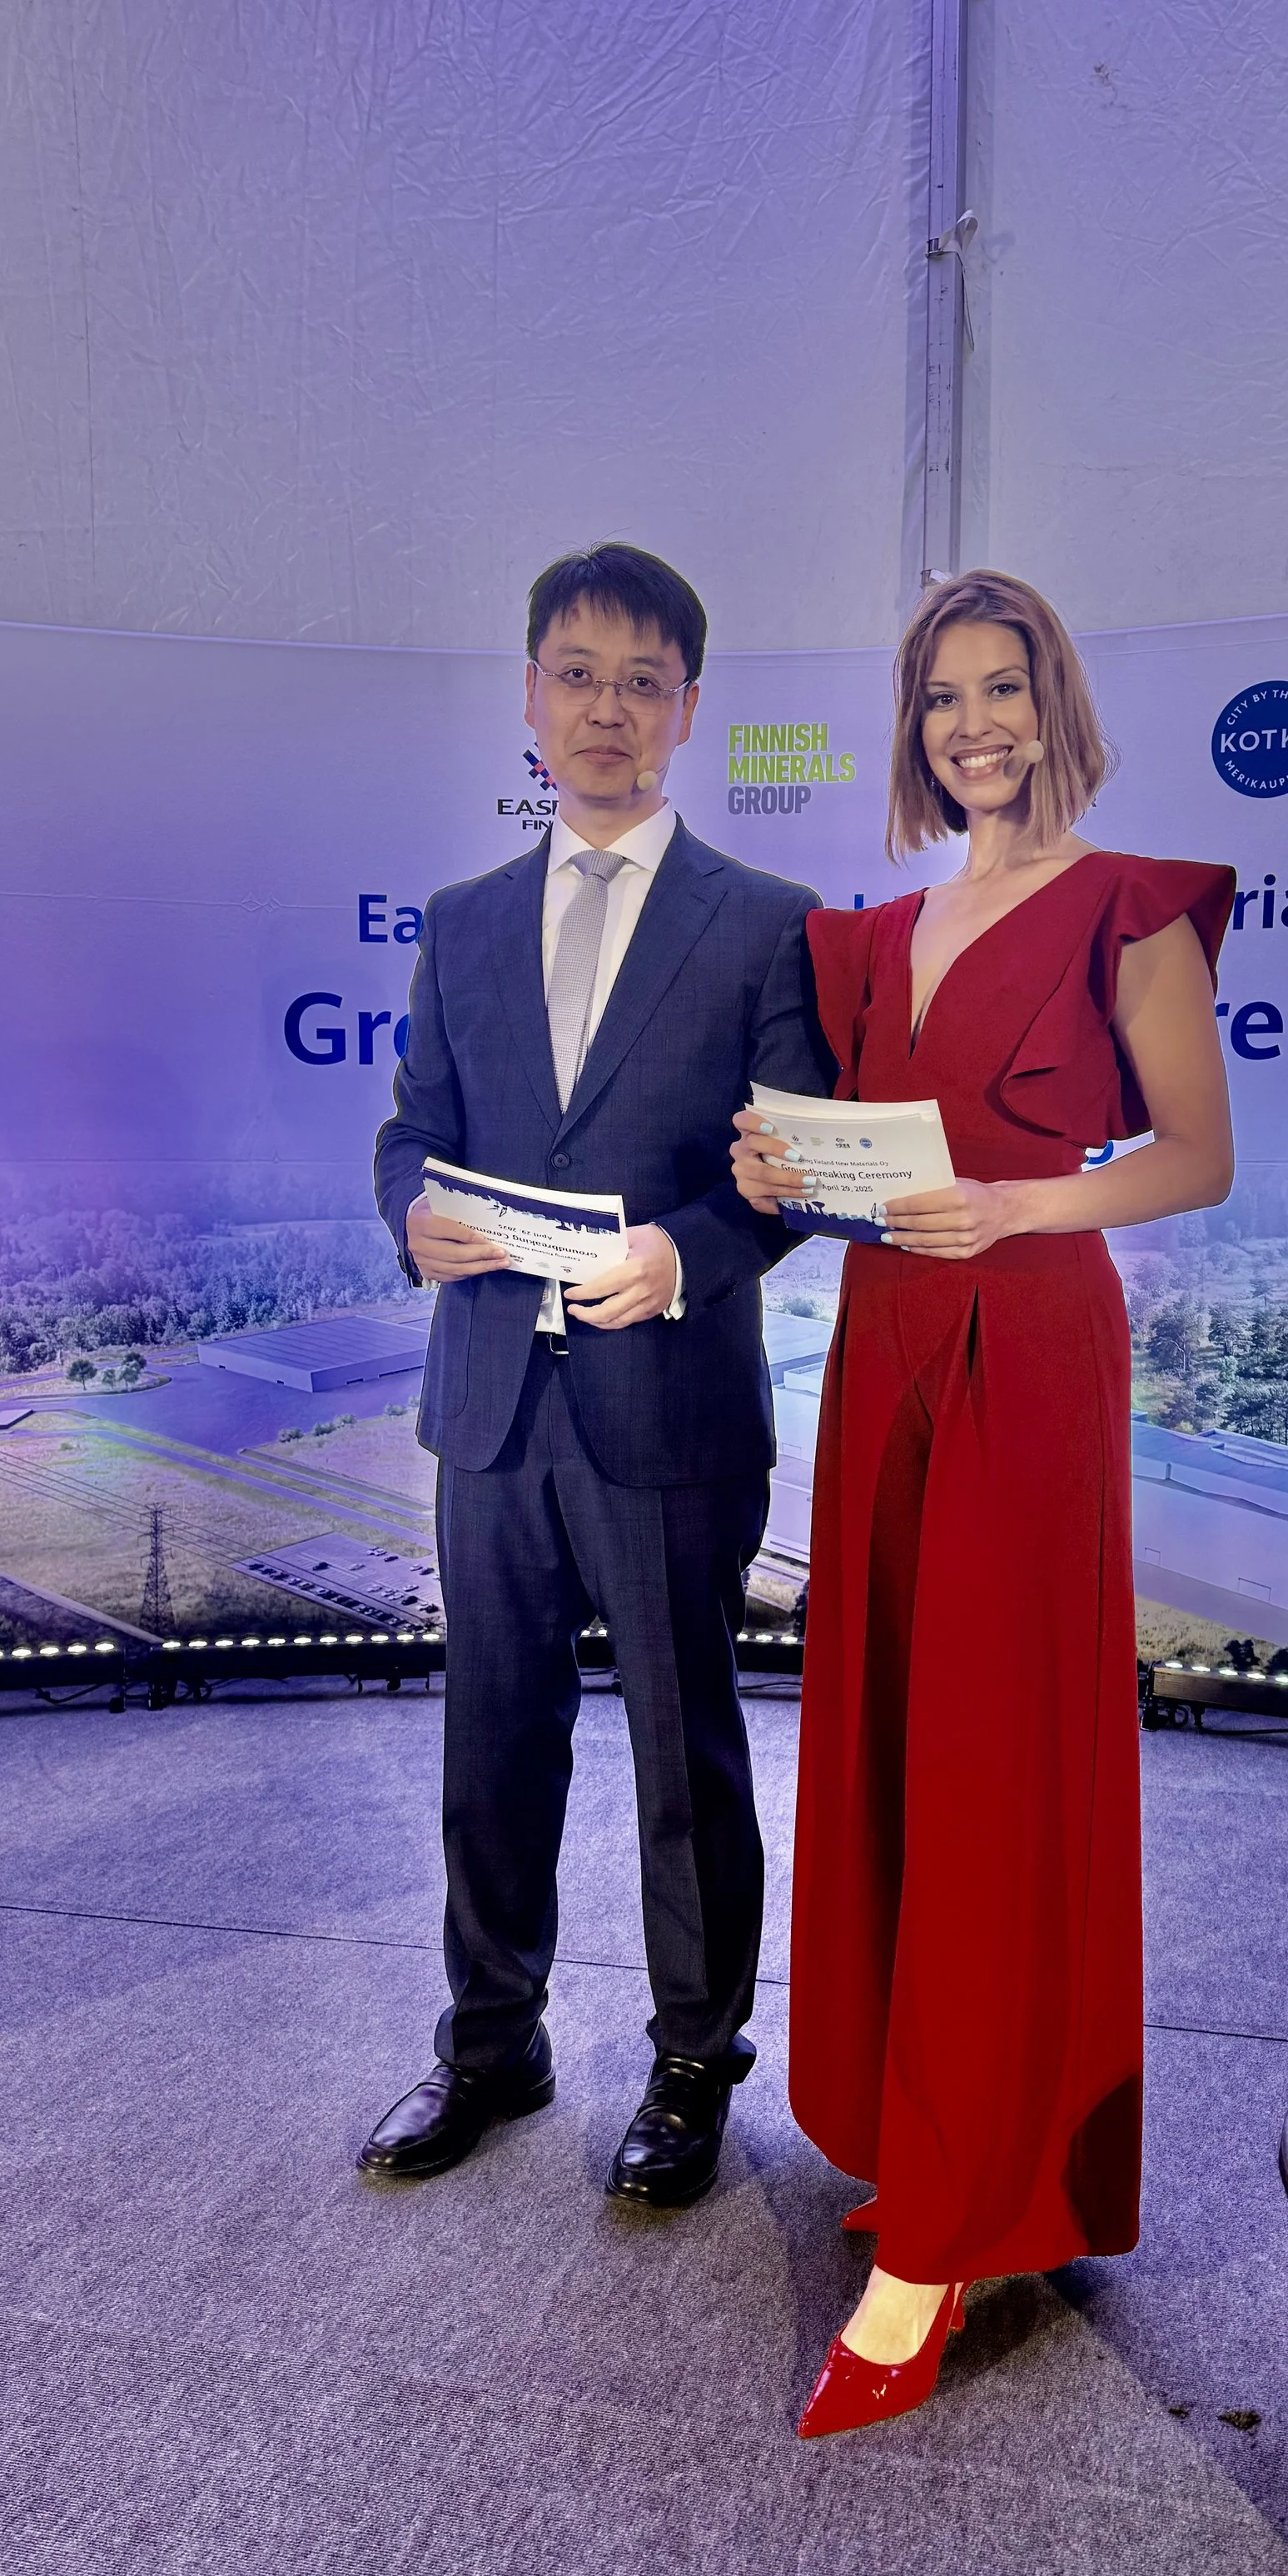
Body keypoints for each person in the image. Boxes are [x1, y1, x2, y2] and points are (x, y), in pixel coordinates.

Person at [731, 571, 1235, 2435]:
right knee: (883, 1740)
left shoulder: (1129, 908)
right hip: (883, 1352)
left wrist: (1014, 1205)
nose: (972, 724)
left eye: (1001, 687)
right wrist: (776, 1164)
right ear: (911, 725)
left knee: (991, 1772)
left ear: (1053, 700)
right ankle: (936, 2143)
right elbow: (850, 1173)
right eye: (941, 695)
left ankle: (950, 2226)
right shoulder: (869, 936)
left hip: (1025, 1351)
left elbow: (1196, 1154)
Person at [361, 543, 831, 2208]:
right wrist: (408, 1210)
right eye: (578, 674)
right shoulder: (459, 924)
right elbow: (412, 1129)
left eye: (643, 680)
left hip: (669, 1406)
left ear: (689, 710)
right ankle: (492, 2043)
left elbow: (788, 1174)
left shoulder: (768, 926)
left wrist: (690, 1253)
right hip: (488, 1404)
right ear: (530, 701)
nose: (608, 709)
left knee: (682, 1760)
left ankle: (694, 2065)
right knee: (491, 1741)